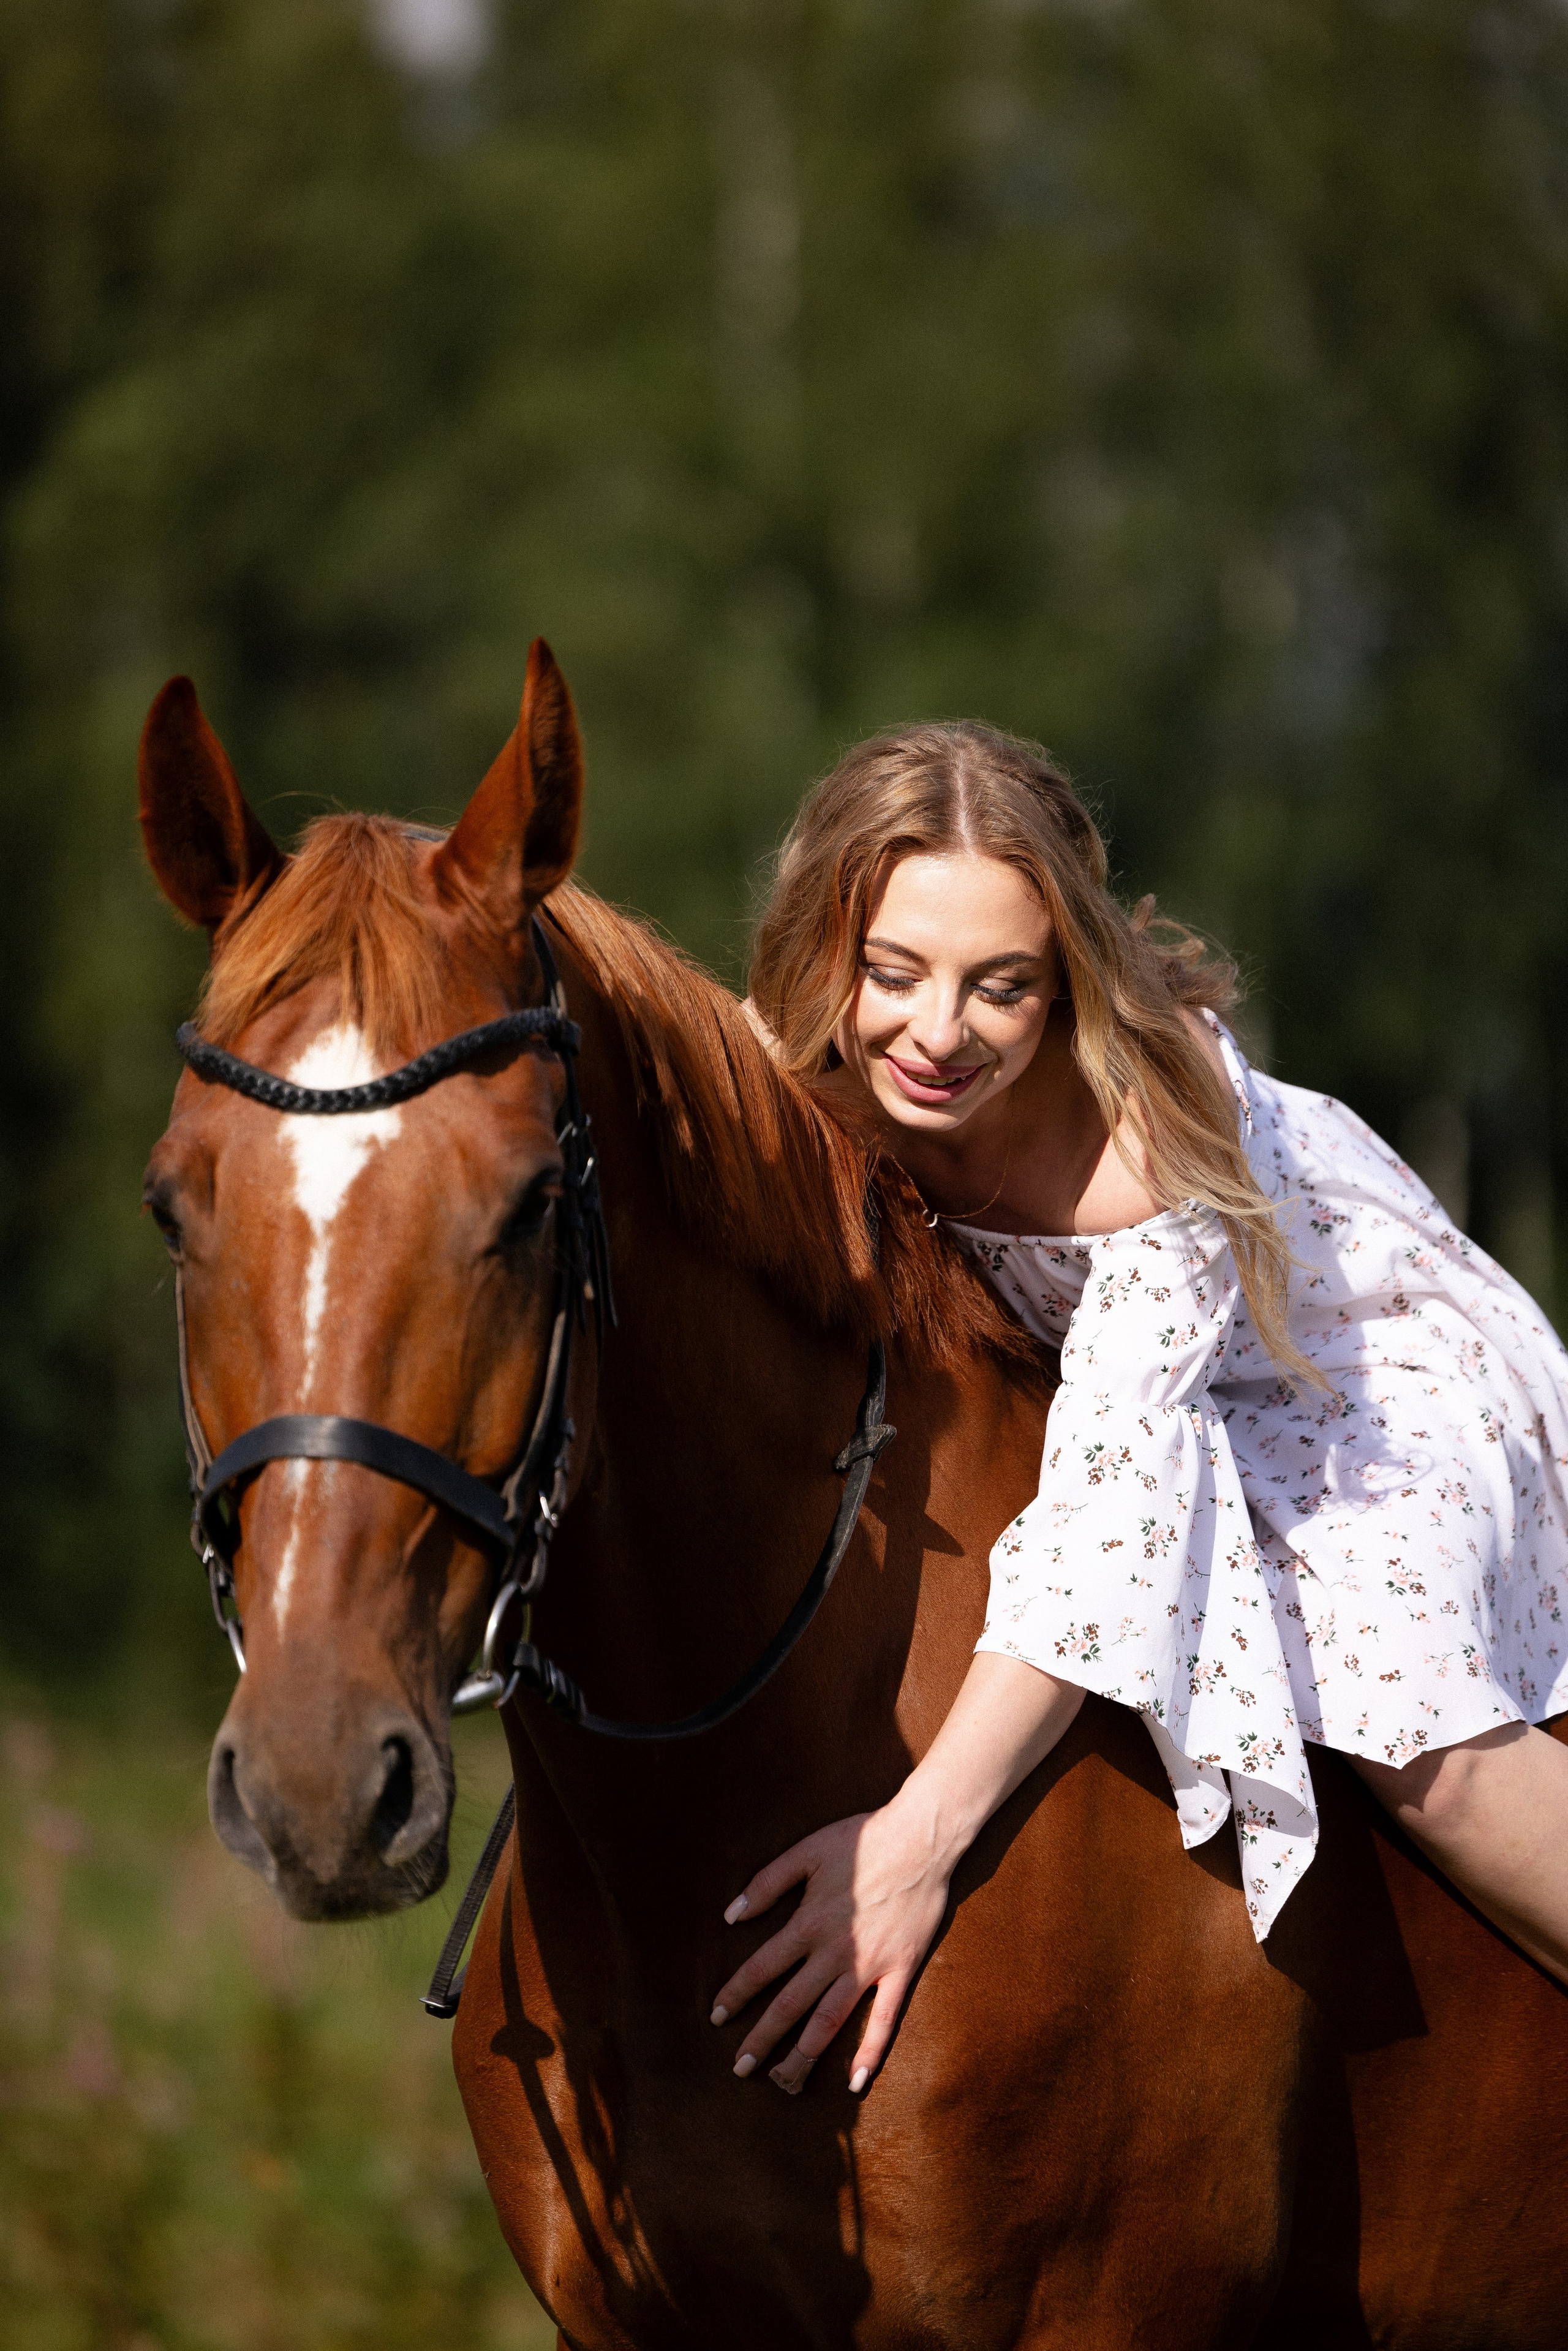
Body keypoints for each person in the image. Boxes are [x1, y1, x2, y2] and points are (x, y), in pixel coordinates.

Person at [712, 720, 1568, 2098]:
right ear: (828, 946)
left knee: (1403, 1713)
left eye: (1001, 986)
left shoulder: (1146, 1141)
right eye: (893, 971)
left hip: (1342, 1369)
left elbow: (1109, 1527)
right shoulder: (798, 1052)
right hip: (1115, 1378)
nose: (936, 1033)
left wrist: (920, 1838)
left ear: (1065, 979)